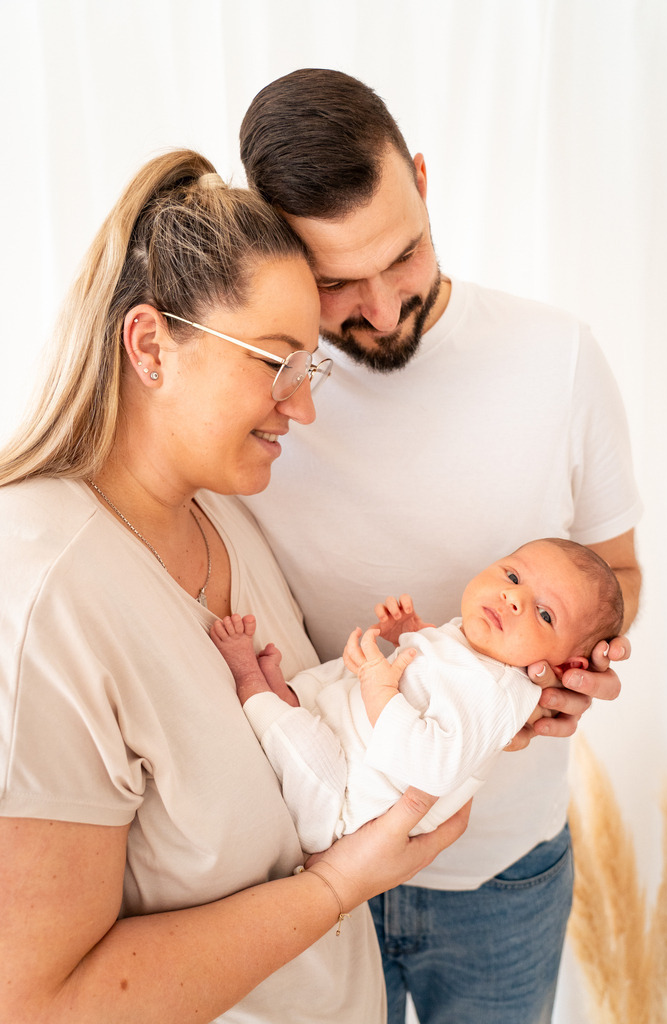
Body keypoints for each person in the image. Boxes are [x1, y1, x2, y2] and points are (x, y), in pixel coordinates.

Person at [0, 149, 472, 1024]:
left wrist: (457, 701)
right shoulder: (36, 598)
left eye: (309, 367)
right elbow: (36, 1002)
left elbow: (307, 737)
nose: (304, 408)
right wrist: (337, 887)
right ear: (150, 345)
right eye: (274, 362)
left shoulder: (226, 517)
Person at [238, 69, 643, 1023]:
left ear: (421, 179)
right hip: (307, 862)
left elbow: (616, 570)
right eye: (335, 281)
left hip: (505, 867)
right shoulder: (256, 400)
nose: (381, 308)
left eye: (405, 254)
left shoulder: (559, 357)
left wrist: (585, 666)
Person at [211, 538, 624, 853]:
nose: (513, 598)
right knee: (346, 670)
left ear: (568, 668)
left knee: (319, 733)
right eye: (513, 577)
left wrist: (379, 683)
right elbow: (438, 672)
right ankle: (289, 697)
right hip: (351, 734)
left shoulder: (496, 694)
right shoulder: (488, 649)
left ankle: (251, 682)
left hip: (340, 799)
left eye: (545, 614)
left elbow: (431, 766)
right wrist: (413, 631)